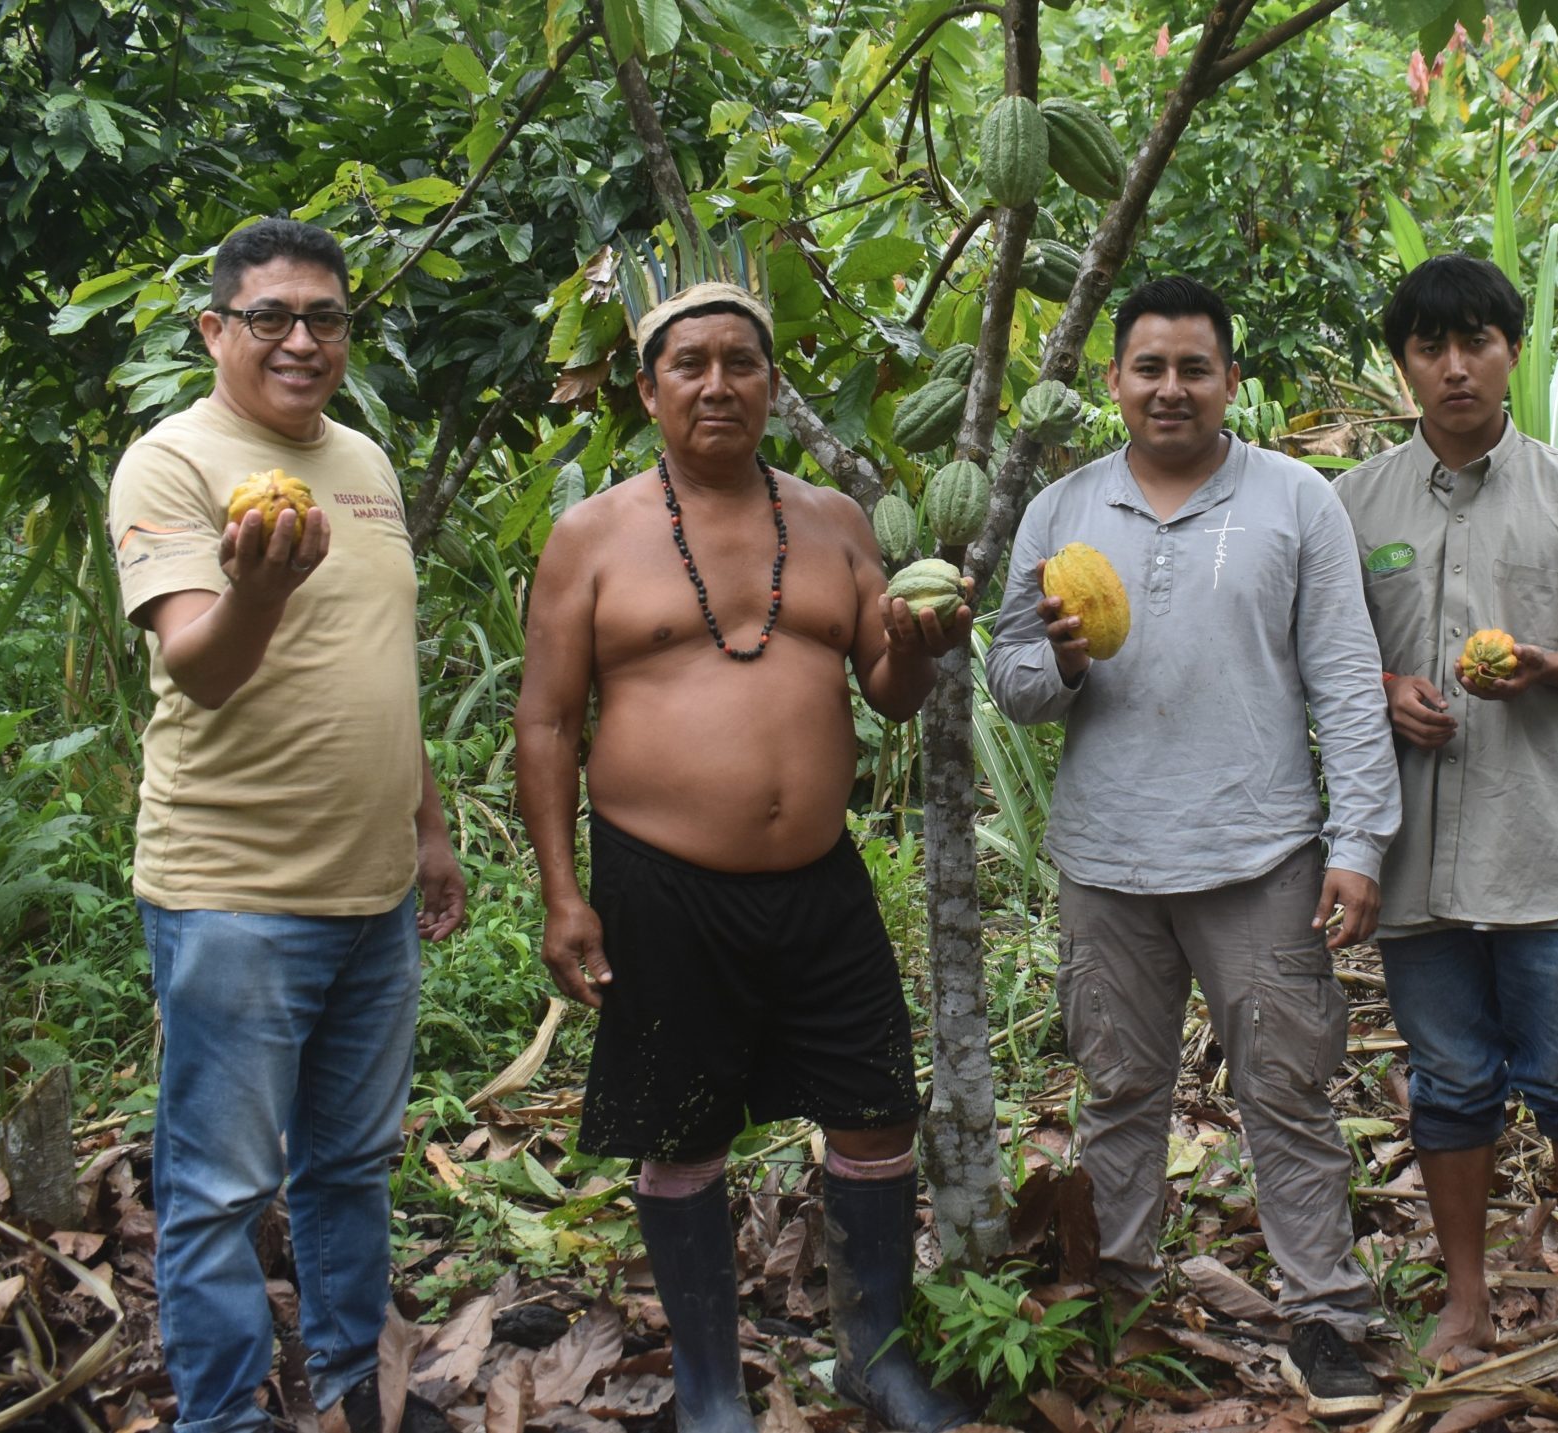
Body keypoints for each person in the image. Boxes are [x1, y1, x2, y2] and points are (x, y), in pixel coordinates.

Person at [513, 280, 975, 1433]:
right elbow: (548, 723)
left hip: (818, 882)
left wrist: (924, 645)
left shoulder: (833, 520)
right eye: (690, 364)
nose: (717, 384)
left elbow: (889, 690)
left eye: (741, 363)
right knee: (684, 1128)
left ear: (772, 383)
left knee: (874, 1112)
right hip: (660, 882)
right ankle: (713, 1390)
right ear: (648, 386)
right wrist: (562, 894)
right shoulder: (594, 534)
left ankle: (876, 1355)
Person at [985, 277, 1401, 1418]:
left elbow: (1346, 681)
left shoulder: (1295, 501)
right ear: (1116, 380)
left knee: (1290, 1089)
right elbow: (1012, 682)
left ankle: (1325, 1311)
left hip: (1260, 852)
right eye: (1149, 368)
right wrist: (1063, 662)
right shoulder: (1061, 510)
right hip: (1106, 857)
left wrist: (1358, 840)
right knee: (1118, 1087)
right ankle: (1121, 1293)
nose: (1171, 387)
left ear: (1228, 378)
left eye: (1195, 368)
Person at [106, 217, 467, 1433]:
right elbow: (203, 671)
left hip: (371, 891)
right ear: (216, 329)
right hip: (235, 890)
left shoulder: (362, 458)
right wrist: (259, 585)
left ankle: (358, 1383)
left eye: (325, 318)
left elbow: (380, 661)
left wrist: (427, 822)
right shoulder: (173, 462)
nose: (301, 341)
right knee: (216, 1188)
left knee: (349, 1165)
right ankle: (225, 1416)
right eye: (270, 318)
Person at [1333, 254, 1558, 1371]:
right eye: (1430, 346)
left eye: (1477, 339)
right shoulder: (1352, 503)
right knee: (1452, 1083)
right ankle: (1466, 1302)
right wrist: (1385, 691)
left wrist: (1549, 664)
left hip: (1540, 842)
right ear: (1404, 365)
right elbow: (1319, 660)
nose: (1455, 365)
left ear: (1511, 350)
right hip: (1413, 854)